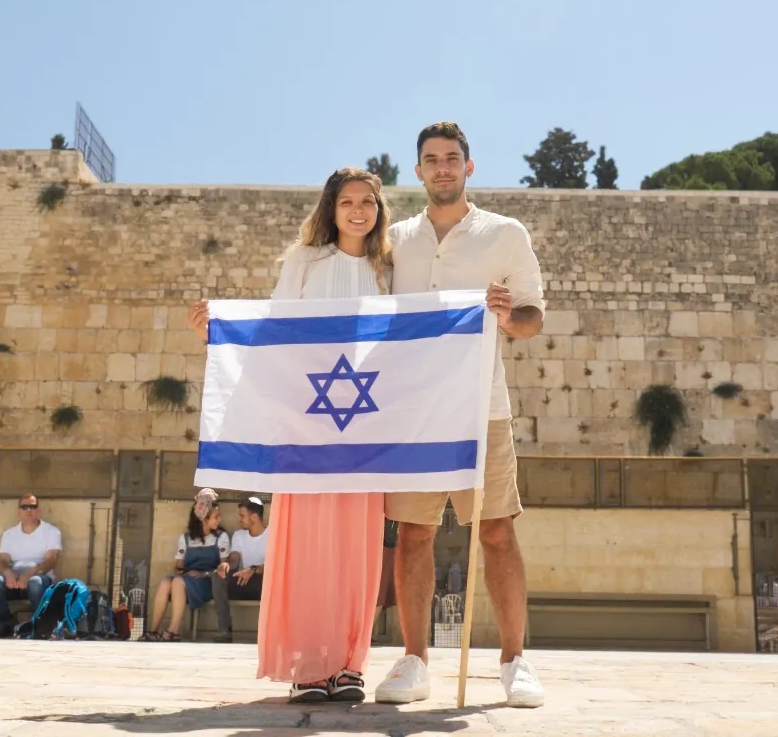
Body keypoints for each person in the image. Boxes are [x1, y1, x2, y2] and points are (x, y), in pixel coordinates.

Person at [189, 167, 389, 702]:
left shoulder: (390, 268)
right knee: (308, 541)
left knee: (356, 544)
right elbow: (275, 325)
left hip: (364, 424)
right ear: (331, 207)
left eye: (367, 201)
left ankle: (348, 663)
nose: (357, 210)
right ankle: (308, 662)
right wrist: (224, 323)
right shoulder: (305, 262)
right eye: (347, 200)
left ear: (379, 209)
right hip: (308, 421)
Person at [374, 122, 547, 708]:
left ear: (469, 168)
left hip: (481, 406)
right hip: (412, 412)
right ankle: (414, 661)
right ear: (418, 171)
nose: (442, 168)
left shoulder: (504, 234)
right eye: (431, 160)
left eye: (452, 159)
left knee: (496, 530)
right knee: (415, 534)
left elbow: (531, 318)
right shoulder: (395, 239)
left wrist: (506, 316)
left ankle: (515, 661)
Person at [141, 488, 229, 642]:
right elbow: (179, 565)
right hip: (187, 579)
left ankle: (173, 631)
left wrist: (204, 574)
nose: (219, 520)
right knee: (166, 582)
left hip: (208, 582)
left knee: (178, 582)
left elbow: (223, 568)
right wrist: (183, 572)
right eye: (215, 517)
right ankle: (153, 630)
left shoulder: (221, 537)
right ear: (204, 519)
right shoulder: (186, 538)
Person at [0, 493, 63, 637]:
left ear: (38, 510)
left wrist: (29, 574)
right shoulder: (9, 534)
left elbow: (51, 561)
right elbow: (2, 560)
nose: (29, 510)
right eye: (25, 507)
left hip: (40, 577)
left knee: (35, 582)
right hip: (15, 576)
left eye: (33, 506)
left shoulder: (51, 531)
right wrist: (8, 573)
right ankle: (4, 624)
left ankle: (40, 624)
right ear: (19, 510)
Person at [212, 496, 268, 642]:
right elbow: (235, 559)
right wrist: (226, 565)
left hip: (264, 583)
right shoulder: (239, 535)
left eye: (242, 516)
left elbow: (276, 566)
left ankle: (271, 635)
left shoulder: (273, 535)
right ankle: (225, 630)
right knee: (218, 577)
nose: (239, 519)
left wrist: (253, 569)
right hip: (242, 580)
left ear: (254, 517)